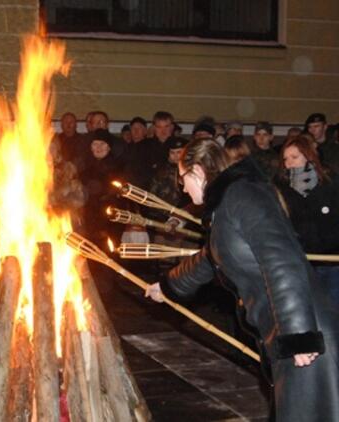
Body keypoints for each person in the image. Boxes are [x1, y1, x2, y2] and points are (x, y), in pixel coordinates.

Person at [145, 139, 339, 421]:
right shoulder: (225, 206)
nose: (181, 187)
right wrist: (167, 287)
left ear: (198, 171)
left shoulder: (243, 195)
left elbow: (282, 261)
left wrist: (299, 337)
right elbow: (211, 258)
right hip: (287, 334)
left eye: (182, 178)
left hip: (307, 337)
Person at [274, 136, 339, 305]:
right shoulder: (281, 188)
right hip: (299, 262)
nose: (289, 163)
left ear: (308, 156)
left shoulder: (330, 182)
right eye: (285, 159)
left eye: (294, 157)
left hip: (332, 262)